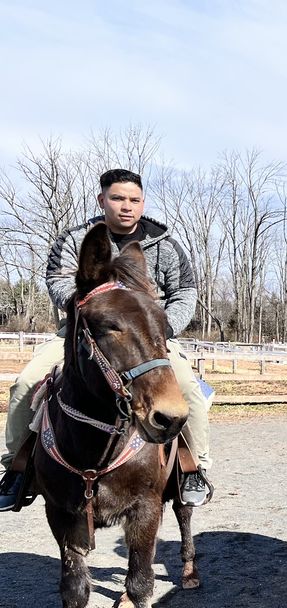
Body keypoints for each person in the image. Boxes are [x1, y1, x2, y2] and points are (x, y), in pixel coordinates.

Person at [0, 169, 213, 510]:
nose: (126, 206)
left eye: (134, 200)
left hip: (148, 337)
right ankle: (16, 468)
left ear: (143, 203)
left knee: (189, 389)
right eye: (117, 198)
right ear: (102, 200)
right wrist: (96, 314)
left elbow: (185, 291)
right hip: (84, 333)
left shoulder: (166, 246)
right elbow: (58, 281)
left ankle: (194, 467)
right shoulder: (75, 239)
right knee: (25, 383)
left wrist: (161, 328)